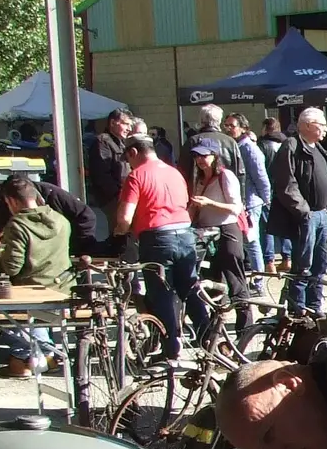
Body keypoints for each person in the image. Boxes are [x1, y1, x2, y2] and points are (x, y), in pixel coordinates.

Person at [115, 133, 207, 359]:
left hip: (156, 239)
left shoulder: (136, 176)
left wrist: (119, 232)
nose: (128, 162)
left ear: (133, 152)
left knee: (161, 295)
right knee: (190, 289)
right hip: (185, 235)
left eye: (128, 157)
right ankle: (208, 339)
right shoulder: (175, 173)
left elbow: (125, 218)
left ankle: (171, 348)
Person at [0, 175, 73, 375]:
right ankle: (46, 355)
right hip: (63, 288)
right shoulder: (61, 220)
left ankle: (24, 357)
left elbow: (12, 268)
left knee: (1, 304)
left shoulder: (17, 225)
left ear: (11, 201)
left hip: (31, 292)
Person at [269, 106, 327, 314]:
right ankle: (298, 308)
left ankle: (315, 305)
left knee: (320, 264)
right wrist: (304, 212)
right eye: (322, 125)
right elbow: (286, 184)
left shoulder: (318, 148)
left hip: (322, 214)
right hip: (306, 216)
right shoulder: (291, 146)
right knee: (303, 265)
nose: (325, 129)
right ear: (307, 125)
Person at [190, 138, 250, 333]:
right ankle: (215, 329)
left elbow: (236, 208)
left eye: (204, 155)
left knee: (235, 279)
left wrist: (209, 203)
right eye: (197, 156)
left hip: (227, 230)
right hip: (206, 233)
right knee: (212, 283)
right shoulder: (199, 179)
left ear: (215, 156)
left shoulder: (226, 176)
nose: (200, 160)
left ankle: (245, 328)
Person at [223, 113, 272, 275]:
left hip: (251, 202)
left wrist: (266, 199)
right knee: (244, 242)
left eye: (232, 126)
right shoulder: (234, 146)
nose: (228, 129)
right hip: (237, 201)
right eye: (226, 125)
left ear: (243, 128)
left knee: (251, 241)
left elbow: (260, 176)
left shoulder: (249, 148)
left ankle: (259, 280)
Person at [87, 111, 133, 243]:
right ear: (113, 123)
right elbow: (102, 174)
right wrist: (117, 196)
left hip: (124, 196)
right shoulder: (103, 141)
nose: (129, 128)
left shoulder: (121, 142)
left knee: (127, 234)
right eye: (126, 124)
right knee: (120, 234)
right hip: (114, 198)